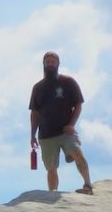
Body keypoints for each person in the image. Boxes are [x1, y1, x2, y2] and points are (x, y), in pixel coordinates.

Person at [28, 51, 94, 194]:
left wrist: (71, 125)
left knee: (77, 153)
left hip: (66, 131)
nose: (50, 64)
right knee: (51, 167)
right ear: (44, 64)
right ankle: (53, 193)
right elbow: (35, 113)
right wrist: (32, 135)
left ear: (58, 64)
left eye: (53, 62)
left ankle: (88, 186)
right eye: (48, 62)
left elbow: (78, 105)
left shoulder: (68, 82)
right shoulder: (37, 88)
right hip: (46, 134)